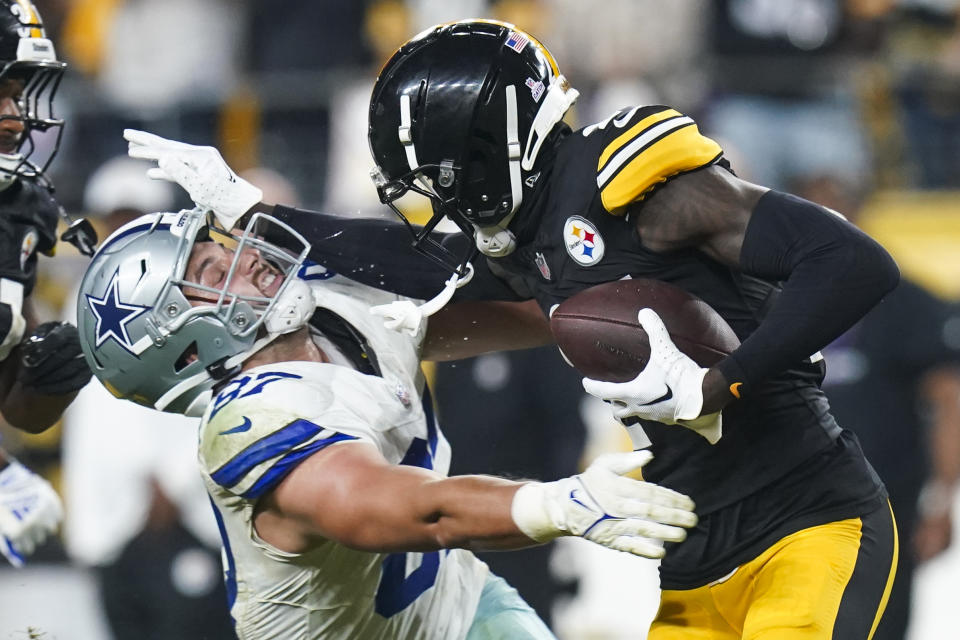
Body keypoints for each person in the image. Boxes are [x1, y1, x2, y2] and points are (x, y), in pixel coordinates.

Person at [74, 207, 698, 639]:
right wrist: (554, 504)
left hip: (462, 610)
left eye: (224, 248)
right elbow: (399, 508)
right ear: (182, 350)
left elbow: (528, 311)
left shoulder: (333, 308)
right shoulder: (249, 422)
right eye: (212, 273)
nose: (246, 258)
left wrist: (640, 291)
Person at [0, 0, 93, 569]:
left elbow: (18, 406)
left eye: (17, 95)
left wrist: (52, 373)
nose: (14, 117)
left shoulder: (18, 208)